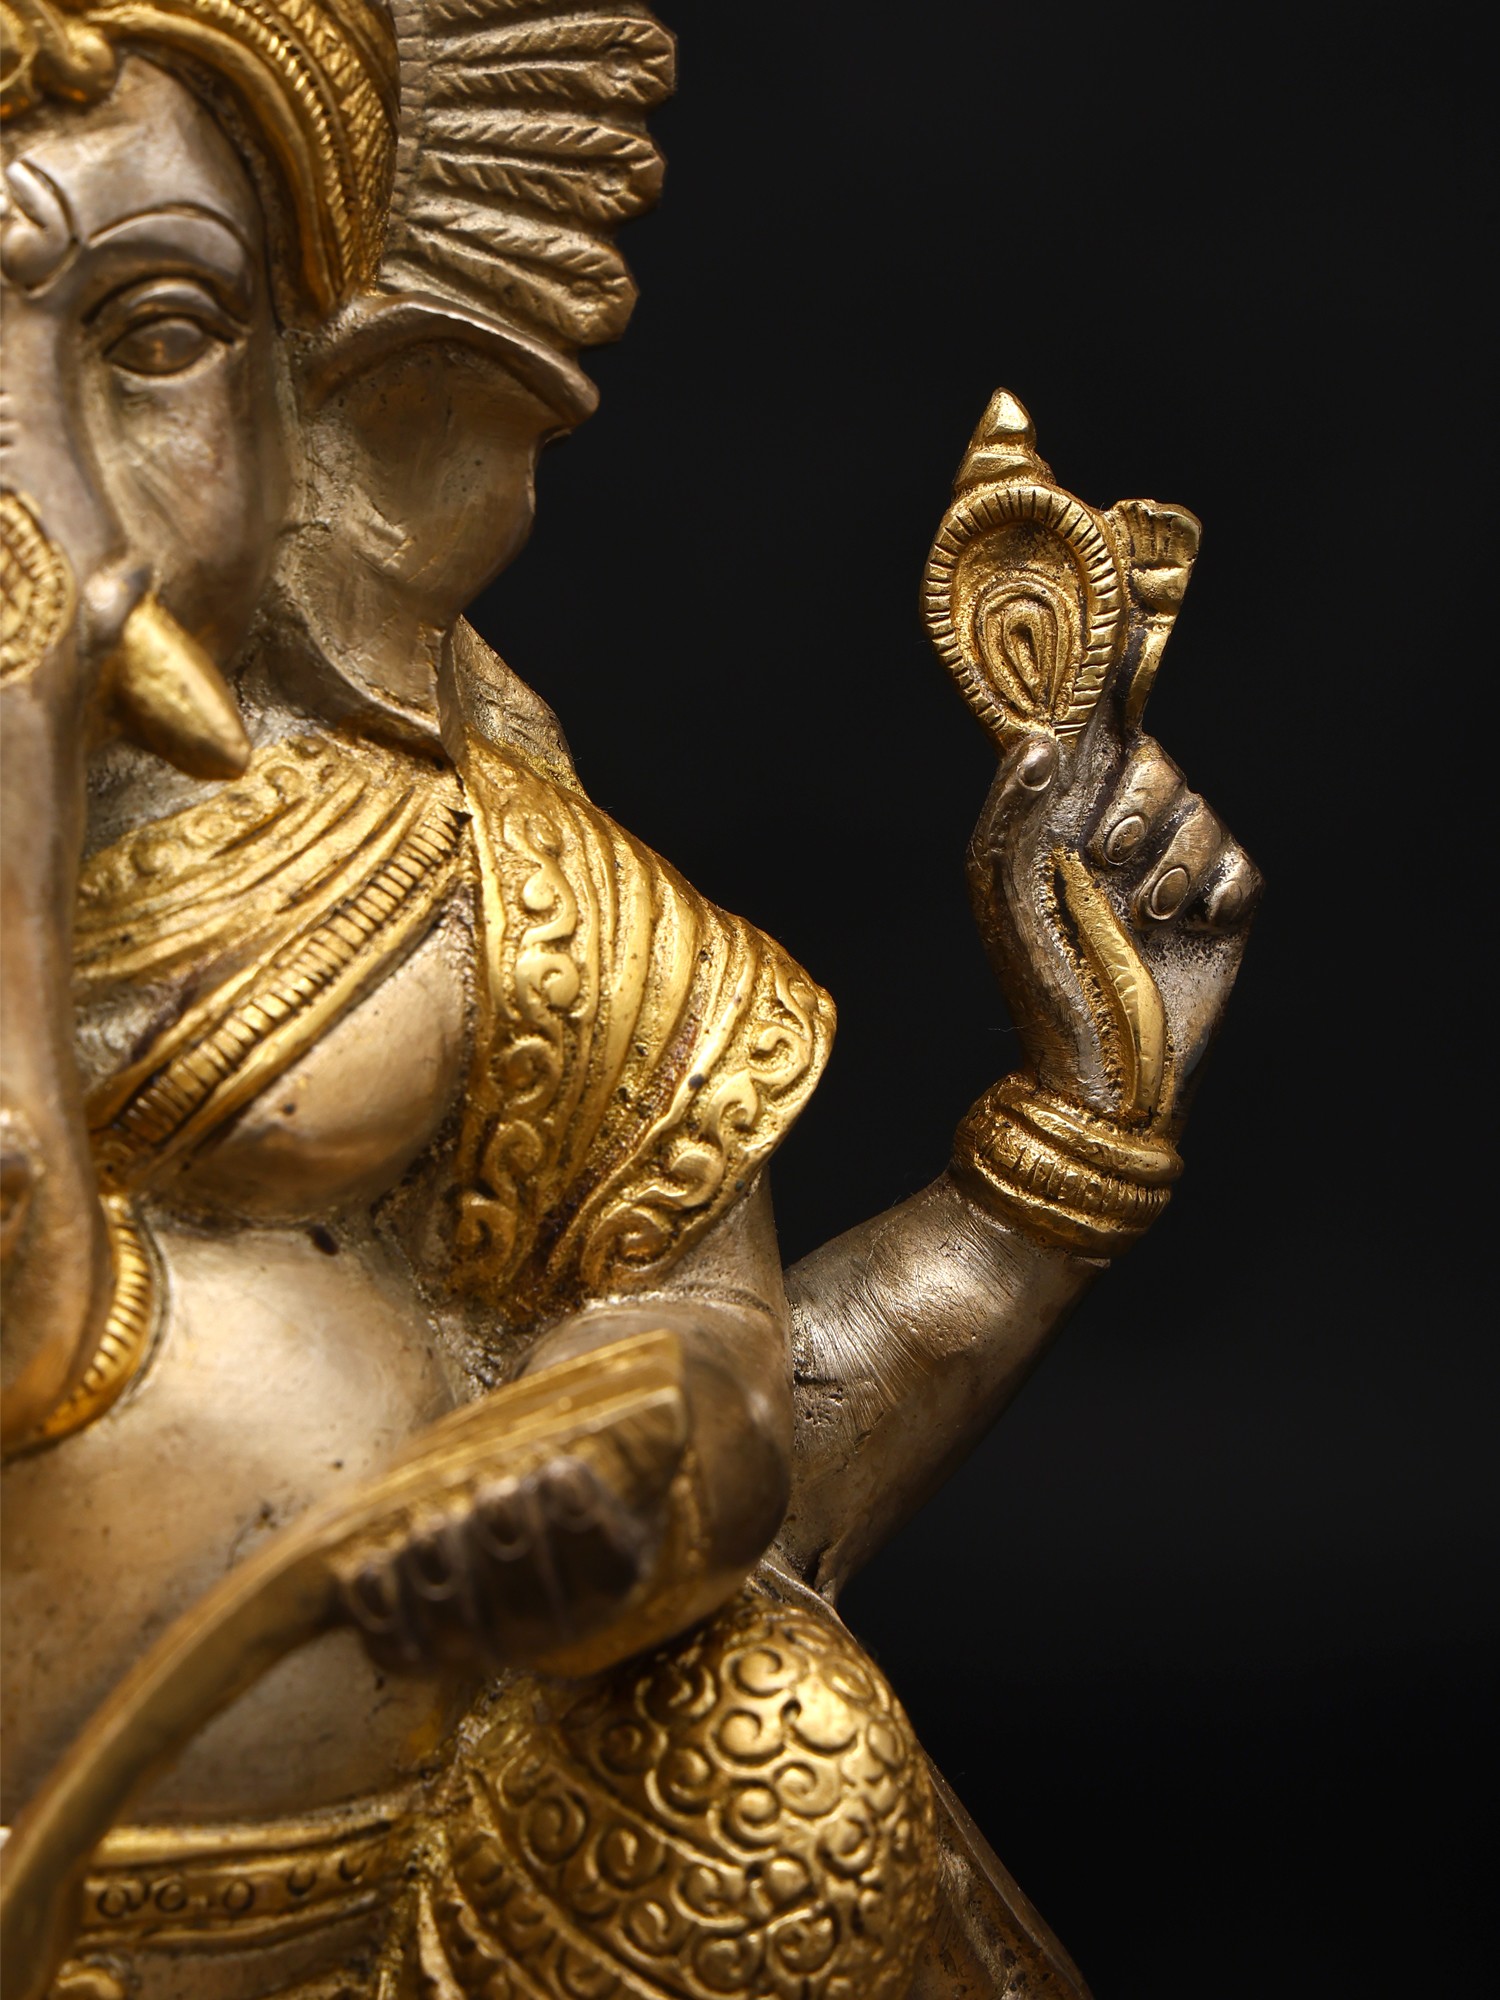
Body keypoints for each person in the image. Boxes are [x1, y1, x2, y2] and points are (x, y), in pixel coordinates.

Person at [0, 5, 1258, 1993]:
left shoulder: (461, 880)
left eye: (154, 338)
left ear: (329, 402)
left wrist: (1055, 1155)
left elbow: (717, 1393)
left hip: (385, 1912)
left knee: (775, 1742)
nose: (36, 490)